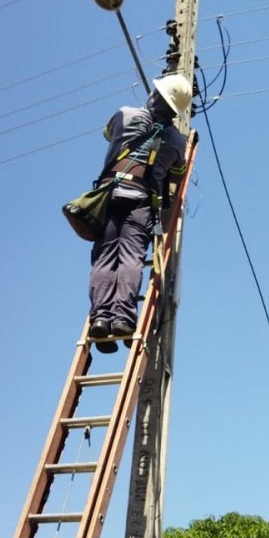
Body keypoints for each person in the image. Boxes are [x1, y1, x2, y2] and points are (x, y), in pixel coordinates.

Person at [88, 73, 192, 352]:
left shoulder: (124, 115)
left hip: (109, 196)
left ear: (154, 95)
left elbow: (107, 134)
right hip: (142, 203)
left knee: (105, 257)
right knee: (131, 258)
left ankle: (100, 317)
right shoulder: (176, 141)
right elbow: (177, 172)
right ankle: (122, 318)